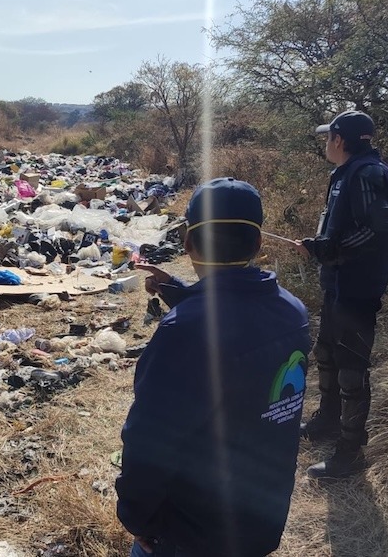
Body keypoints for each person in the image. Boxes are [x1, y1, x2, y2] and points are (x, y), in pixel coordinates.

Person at [116, 178, 311, 557]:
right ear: (257, 243)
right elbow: (235, 327)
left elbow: (149, 442)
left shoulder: (183, 333)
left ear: (188, 242)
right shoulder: (294, 312)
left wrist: (137, 519)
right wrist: (182, 294)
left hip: (191, 530)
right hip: (261, 518)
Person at [293, 110, 388, 479]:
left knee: (352, 370)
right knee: (326, 353)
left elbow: (377, 232)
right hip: (338, 285)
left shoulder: (369, 173)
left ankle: (350, 451)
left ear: (340, 140)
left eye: (329, 137)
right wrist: (322, 247)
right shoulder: (348, 173)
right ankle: (327, 420)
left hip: (357, 289)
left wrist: (328, 250)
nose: (326, 143)